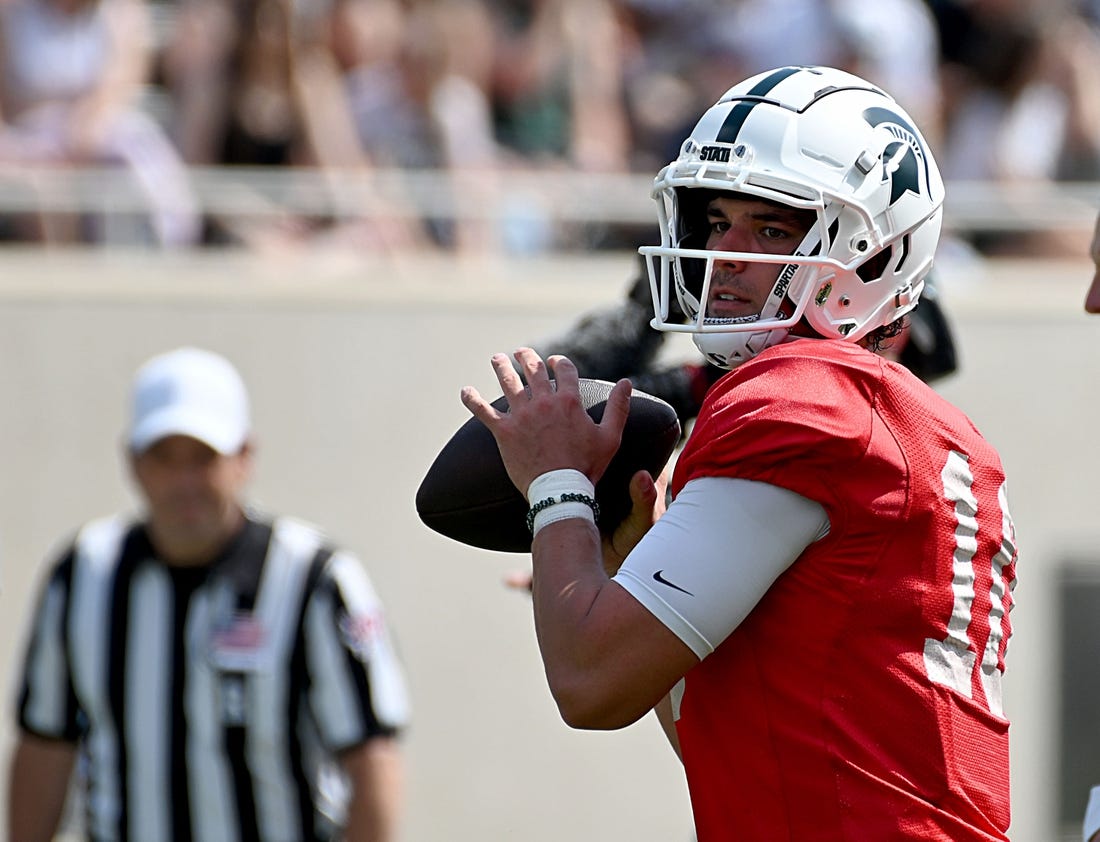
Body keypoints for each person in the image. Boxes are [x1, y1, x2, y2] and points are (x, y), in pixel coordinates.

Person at [461, 65, 1019, 840]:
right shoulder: (934, 433)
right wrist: (623, 567)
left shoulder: (802, 402)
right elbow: (734, 744)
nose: (725, 255)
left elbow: (591, 684)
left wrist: (556, 483)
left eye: (772, 229)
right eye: (717, 221)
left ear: (870, 253)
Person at [8, 347, 409, 842]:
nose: (185, 482)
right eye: (164, 458)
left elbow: (373, 760)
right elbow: (46, 745)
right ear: (133, 462)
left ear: (244, 458)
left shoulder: (313, 578)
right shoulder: (83, 574)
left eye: (203, 458)